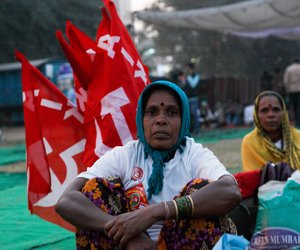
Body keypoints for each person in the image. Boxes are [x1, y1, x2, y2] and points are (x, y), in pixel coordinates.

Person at [56, 80, 241, 249]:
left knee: (202, 188)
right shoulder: (125, 155)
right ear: (141, 120)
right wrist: (124, 231)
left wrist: (156, 212)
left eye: (171, 112)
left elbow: (230, 191)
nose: (161, 120)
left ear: (184, 120)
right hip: (130, 246)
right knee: (94, 188)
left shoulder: (193, 154)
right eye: (152, 112)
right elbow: (66, 201)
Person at [241, 91, 300, 172]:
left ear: (284, 113)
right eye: (264, 110)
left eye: (276, 109)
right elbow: (253, 176)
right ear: (256, 115)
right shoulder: (250, 142)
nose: (271, 115)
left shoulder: (298, 137)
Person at [184, 63, 201, 134]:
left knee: (195, 115)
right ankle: (191, 130)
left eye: (189, 69)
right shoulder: (187, 78)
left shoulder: (196, 77)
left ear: (192, 69)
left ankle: (197, 130)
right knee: (189, 115)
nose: (188, 70)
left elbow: (194, 86)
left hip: (194, 99)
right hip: (188, 99)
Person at [283, 59, 300, 127]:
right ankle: (299, 122)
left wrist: (287, 90)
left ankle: (296, 121)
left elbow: (286, 81)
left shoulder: (289, 69)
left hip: (292, 90)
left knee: (294, 106)